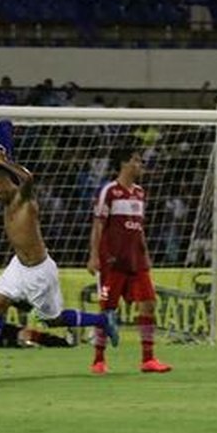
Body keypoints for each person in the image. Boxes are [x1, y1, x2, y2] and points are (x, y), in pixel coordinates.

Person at [0, 147, 118, 377]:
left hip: (39, 271)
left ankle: (102, 319)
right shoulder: (7, 205)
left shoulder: (25, 200)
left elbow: (28, 178)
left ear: (6, 182)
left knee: (53, 320)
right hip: (19, 266)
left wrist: (5, 161)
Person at [87, 147, 171, 374]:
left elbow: (138, 228)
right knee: (108, 310)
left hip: (137, 261)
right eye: (136, 161)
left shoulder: (140, 193)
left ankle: (148, 359)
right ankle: (98, 359)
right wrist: (94, 256)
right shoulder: (109, 191)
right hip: (113, 262)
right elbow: (98, 224)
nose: (140, 165)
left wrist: (146, 254)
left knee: (149, 303)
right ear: (124, 164)